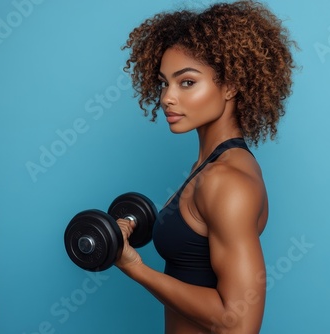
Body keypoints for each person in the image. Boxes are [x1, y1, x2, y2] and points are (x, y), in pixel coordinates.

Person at [115, 1, 296, 333]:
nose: (167, 97)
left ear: (230, 86)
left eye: (186, 82)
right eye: (164, 82)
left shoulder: (225, 180)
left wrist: (136, 268)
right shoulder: (211, 166)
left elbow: (238, 323)